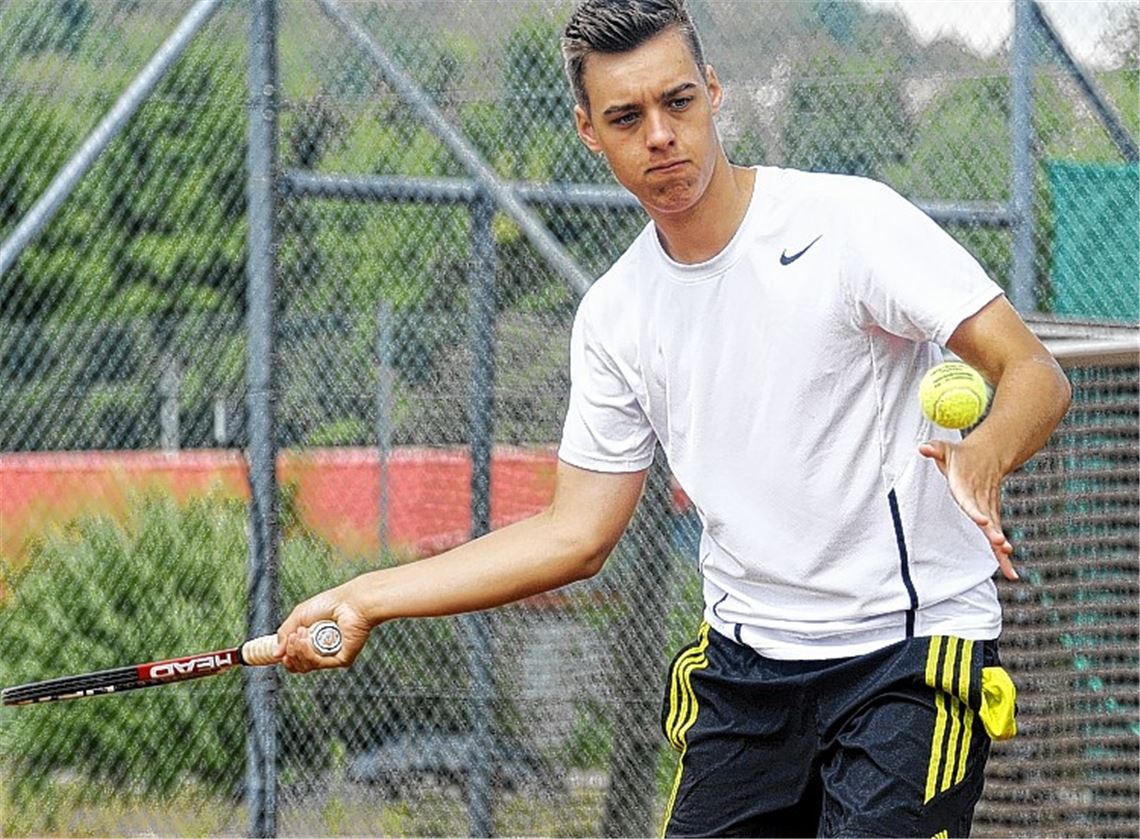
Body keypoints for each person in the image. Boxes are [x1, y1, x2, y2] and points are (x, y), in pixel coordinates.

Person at [275, 1, 1072, 835]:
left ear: (714, 92)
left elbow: (1033, 374)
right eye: (627, 116)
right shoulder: (617, 314)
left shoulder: (847, 225)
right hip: (744, 671)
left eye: (678, 102)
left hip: (904, 659)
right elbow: (573, 536)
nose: (660, 134)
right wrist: (368, 596)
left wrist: (983, 455)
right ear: (590, 131)